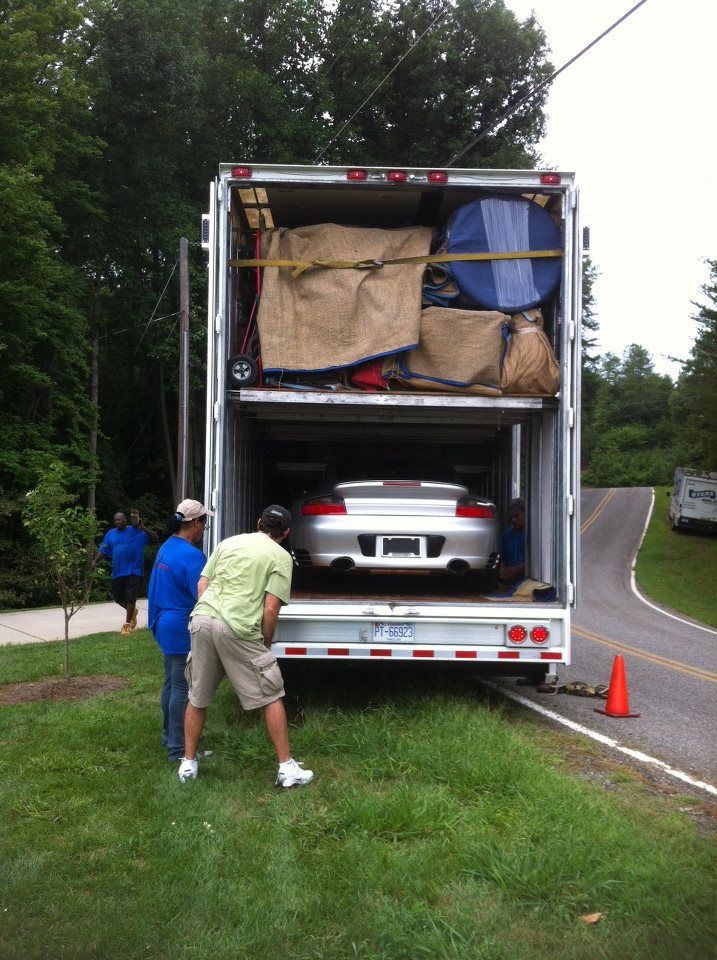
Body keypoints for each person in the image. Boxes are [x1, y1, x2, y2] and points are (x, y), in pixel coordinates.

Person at [177, 504, 314, 789]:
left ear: (258, 522)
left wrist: (207, 608)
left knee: (197, 695)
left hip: (202, 619)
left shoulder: (229, 542)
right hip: (237, 627)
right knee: (271, 693)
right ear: (286, 533)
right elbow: (271, 608)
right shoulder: (280, 556)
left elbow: (204, 582)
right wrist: (265, 643)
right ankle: (287, 769)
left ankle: (188, 765)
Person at [147, 499, 213, 762]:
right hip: (180, 627)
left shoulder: (167, 546)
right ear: (195, 523)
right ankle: (179, 749)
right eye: (204, 524)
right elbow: (203, 596)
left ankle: (169, 738)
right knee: (181, 689)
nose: (204, 529)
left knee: (170, 684)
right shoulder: (192, 556)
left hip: (163, 623)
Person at [94, 509, 157, 634]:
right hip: (118, 572)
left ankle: (127, 625)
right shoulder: (111, 534)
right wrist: (95, 561)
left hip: (134, 570)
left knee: (130, 598)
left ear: (125, 520)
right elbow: (104, 549)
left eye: (120, 519)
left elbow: (155, 538)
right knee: (118, 597)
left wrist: (143, 528)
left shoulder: (137, 531)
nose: (117, 522)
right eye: (115, 520)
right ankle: (132, 612)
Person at [498, 498, 526, 586]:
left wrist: (516, 570)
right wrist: (503, 572)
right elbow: (502, 559)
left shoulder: (534, 535)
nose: (513, 520)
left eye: (516, 516)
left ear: (525, 513)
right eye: (511, 517)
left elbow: (536, 564)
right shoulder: (507, 536)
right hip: (511, 583)